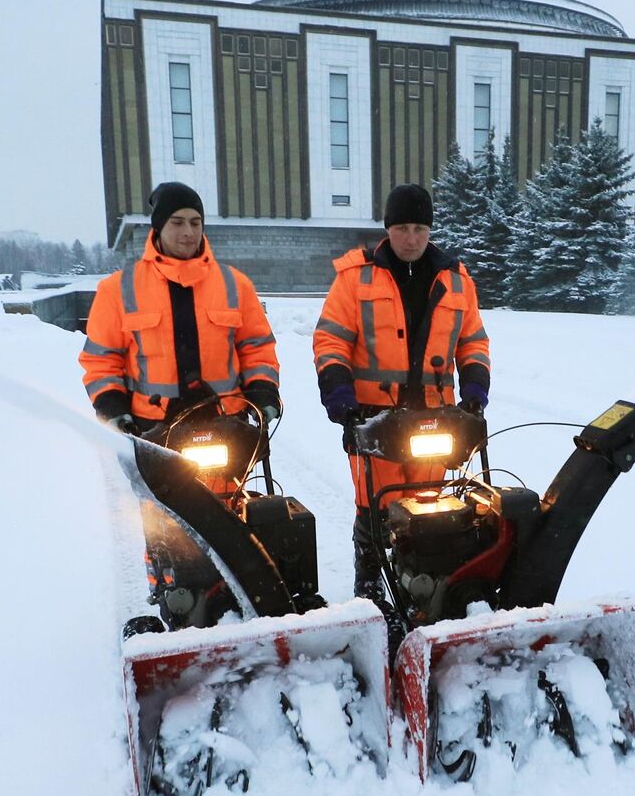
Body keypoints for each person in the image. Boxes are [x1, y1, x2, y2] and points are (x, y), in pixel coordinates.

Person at [313, 182, 490, 597]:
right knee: (375, 508)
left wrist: (476, 388)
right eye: (403, 228)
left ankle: (425, 584)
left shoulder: (456, 279)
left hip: (435, 417)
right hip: (373, 419)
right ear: (388, 228)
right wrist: (340, 396)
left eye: (419, 228)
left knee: (432, 505)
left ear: (429, 230)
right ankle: (370, 584)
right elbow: (330, 340)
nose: (411, 238)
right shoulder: (355, 278)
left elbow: (473, 341)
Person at [80, 181, 281, 433]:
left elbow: (257, 348)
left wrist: (263, 389)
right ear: (159, 226)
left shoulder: (236, 284)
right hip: (152, 430)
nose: (188, 231)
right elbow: (101, 360)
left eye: (195, 222)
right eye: (177, 222)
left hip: (227, 423)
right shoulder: (117, 289)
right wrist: (111, 406)